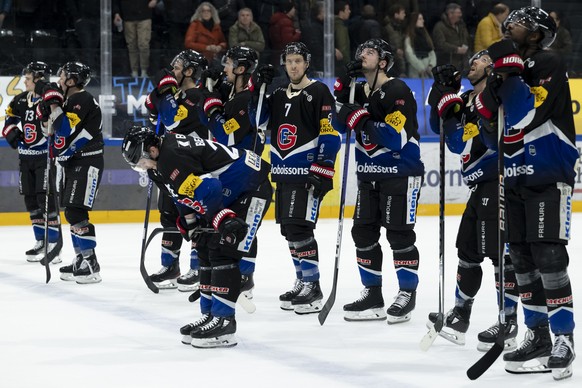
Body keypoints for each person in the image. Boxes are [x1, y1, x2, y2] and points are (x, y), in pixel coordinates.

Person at [473, 6, 577, 380]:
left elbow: (524, 114)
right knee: (521, 259)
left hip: (549, 174)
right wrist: (490, 89)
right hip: (514, 179)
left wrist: (507, 71)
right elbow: (490, 133)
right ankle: (538, 335)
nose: (508, 25)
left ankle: (564, 337)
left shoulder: (549, 61)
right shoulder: (505, 73)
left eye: (517, 22)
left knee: (549, 256)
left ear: (535, 33)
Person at [121, 127, 272, 348]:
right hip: (228, 191)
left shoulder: (171, 157)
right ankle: (211, 315)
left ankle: (225, 322)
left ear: (152, 150)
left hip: (251, 187)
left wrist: (219, 217)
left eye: (140, 161)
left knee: (223, 249)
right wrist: (190, 222)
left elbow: (210, 187)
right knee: (204, 246)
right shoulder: (158, 165)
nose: (140, 167)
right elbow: (180, 193)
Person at [425, 52, 520, 351]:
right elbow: (447, 137)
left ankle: (509, 322)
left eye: (480, 60)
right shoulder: (465, 99)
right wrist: (441, 97)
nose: (473, 62)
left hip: (497, 180)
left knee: (499, 254)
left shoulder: (497, 96)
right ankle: (460, 317)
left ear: (492, 69)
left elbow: (478, 139)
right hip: (478, 186)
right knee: (466, 250)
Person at [334, 38, 424, 324]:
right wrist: (343, 87)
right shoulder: (358, 90)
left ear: (383, 62)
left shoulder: (397, 89)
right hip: (369, 175)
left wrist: (359, 119)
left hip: (400, 172)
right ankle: (373, 294)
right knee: (362, 233)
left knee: (398, 234)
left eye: (369, 52)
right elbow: (338, 124)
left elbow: (394, 138)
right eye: (360, 50)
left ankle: (407, 294)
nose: (362, 55)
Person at [248, 41, 341, 314]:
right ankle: (302, 279)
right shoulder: (277, 94)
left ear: (307, 62)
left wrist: (323, 168)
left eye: (298, 60)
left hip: (307, 173)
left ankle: (313, 287)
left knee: (300, 229)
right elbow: (257, 121)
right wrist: (257, 88)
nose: (293, 66)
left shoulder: (319, 91)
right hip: (283, 173)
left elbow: (330, 133)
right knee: (289, 230)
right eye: (289, 61)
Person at [199, 45, 265, 300]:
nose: (224, 67)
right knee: (230, 224)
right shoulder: (230, 93)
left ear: (240, 69)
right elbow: (207, 121)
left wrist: (213, 108)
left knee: (246, 226)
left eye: (228, 63)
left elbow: (227, 133)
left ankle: (245, 277)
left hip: (246, 174)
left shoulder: (247, 100)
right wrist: (210, 93)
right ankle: (232, 273)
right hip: (229, 172)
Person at [144, 49, 213, 291]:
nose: (172, 72)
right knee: (169, 215)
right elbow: (154, 114)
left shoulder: (198, 96)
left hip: (192, 167)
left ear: (189, 71)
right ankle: (170, 265)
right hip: (170, 165)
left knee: (195, 216)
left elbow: (174, 119)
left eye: (177, 68)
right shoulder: (176, 94)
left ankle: (198, 266)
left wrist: (166, 94)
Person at [35, 62, 104, 284]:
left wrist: (54, 106)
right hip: (71, 163)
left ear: (72, 81)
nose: (59, 78)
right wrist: (45, 109)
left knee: (76, 212)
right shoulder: (69, 100)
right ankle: (81, 260)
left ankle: (91, 264)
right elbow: (50, 131)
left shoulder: (81, 100)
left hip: (87, 161)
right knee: (72, 213)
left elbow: (65, 129)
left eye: (63, 75)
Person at [2, 61, 63, 265]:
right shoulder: (20, 100)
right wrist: (11, 133)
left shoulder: (50, 100)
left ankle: (54, 243)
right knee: (31, 201)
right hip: (25, 158)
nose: (25, 81)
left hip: (44, 157)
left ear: (39, 78)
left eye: (28, 78)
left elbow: (59, 123)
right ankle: (41, 241)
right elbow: (9, 120)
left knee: (46, 199)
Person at [113, 0, 158, 78]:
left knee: (143, 44)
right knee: (132, 45)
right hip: (128, 16)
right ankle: (134, 71)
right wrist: (116, 13)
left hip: (144, 15)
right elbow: (116, 2)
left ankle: (144, 70)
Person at [432, 3, 470, 73]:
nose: (460, 15)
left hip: (462, 65)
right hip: (446, 64)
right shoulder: (439, 27)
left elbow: (466, 39)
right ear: (450, 14)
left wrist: (465, 48)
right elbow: (440, 44)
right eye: (458, 13)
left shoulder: (461, 25)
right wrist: (456, 49)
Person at [403, 12, 436, 78]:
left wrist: (431, 65)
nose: (423, 21)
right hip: (415, 70)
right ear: (414, 21)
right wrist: (420, 67)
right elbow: (409, 54)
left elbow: (431, 51)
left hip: (428, 70)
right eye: (420, 19)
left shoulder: (426, 36)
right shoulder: (409, 38)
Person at [382, 4, 407, 77]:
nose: (404, 15)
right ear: (396, 14)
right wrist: (396, 50)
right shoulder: (387, 28)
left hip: (398, 60)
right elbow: (384, 44)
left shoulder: (399, 27)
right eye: (402, 13)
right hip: (390, 61)